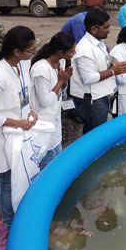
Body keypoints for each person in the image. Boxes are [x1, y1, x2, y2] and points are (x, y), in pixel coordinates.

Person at [0, 26, 39, 227]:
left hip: (21, 132)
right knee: (6, 182)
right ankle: (8, 222)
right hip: (4, 135)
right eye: (30, 49)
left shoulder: (23, 65)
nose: (33, 51)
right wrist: (17, 122)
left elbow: (24, 92)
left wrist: (30, 110)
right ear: (16, 51)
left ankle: (21, 213)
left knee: (22, 173)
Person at [70, 8, 126, 134]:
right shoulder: (85, 49)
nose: (109, 30)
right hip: (91, 98)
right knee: (94, 133)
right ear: (94, 29)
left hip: (100, 94)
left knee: (99, 129)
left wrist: (113, 65)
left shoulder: (99, 43)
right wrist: (114, 71)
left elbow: (99, 64)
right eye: (106, 27)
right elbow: (88, 78)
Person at [30, 32, 76, 170]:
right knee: (47, 168)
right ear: (61, 51)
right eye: (72, 50)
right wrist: (61, 80)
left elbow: (60, 92)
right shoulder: (41, 69)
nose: (75, 53)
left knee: (57, 161)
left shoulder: (60, 62)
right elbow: (45, 101)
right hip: (43, 123)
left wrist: (64, 81)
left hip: (54, 121)